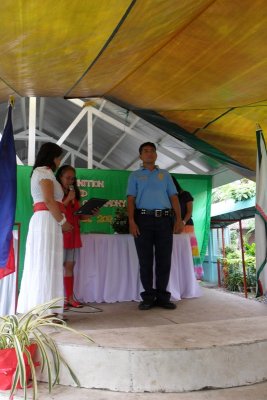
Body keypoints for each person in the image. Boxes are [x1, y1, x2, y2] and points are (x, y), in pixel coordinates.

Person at [17, 142, 73, 316]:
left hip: (49, 221)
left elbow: (52, 202)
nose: (59, 161)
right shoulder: (42, 172)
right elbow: (48, 201)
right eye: (58, 157)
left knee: (49, 263)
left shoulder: (47, 173)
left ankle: (49, 309)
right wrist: (63, 221)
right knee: (44, 262)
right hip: (46, 220)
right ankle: (44, 311)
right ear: (52, 157)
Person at [127, 142, 184, 310]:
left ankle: (162, 296)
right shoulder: (135, 176)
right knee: (145, 261)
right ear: (140, 156)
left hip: (165, 221)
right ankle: (148, 297)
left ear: (156, 155)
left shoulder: (165, 175)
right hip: (142, 220)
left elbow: (174, 197)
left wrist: (179, 220)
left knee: (164, 260)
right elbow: (130, 200)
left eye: (152, 151)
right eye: (145, 151)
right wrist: (131, 221)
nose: (149, 153)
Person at [56, 165, 86, 309]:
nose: (70, 181)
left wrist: (90, 213)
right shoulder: (56, 191)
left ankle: (70, 298)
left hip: (73, 234)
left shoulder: (74, 194)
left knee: (70, 266)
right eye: (68, 178)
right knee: (57, 267)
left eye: (73, 179)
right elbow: (56, 208)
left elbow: (79, 215)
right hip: (60, 234)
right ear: (60, 177)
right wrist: (68, 198)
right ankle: (58, 300)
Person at [171, 176, 204, 280]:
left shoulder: (185, 194)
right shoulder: (167, 196)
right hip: (172, 227)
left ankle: (192, 277)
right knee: (176, 253)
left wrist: (183, 222)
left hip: (187, 225)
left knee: (190, 252)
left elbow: (189, 212)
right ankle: (178, 277)